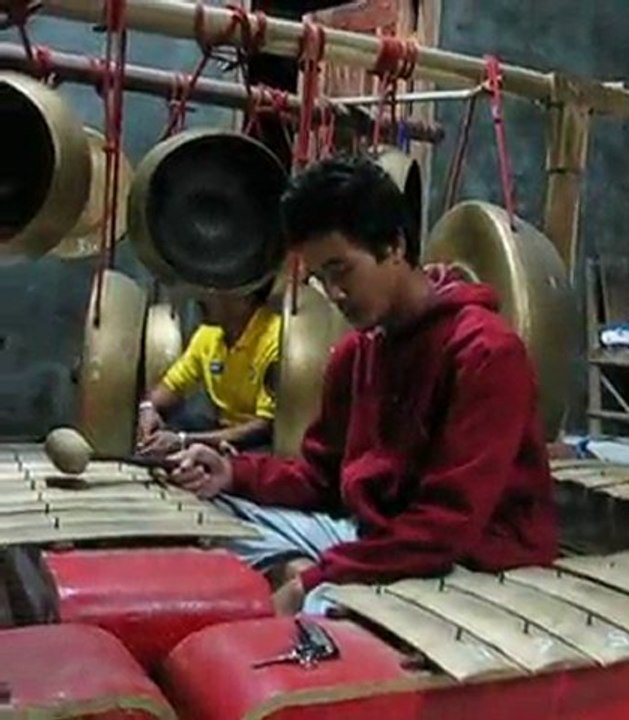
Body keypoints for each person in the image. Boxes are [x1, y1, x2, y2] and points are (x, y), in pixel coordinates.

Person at [170, 154, 558, 615]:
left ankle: (304, 582)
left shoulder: (485, 353)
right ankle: (304, 571)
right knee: (204, 518)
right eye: (318, 278)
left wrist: (315, 578)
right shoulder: (357, 353)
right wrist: (231, 472)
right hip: (379, 537)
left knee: (321, 606)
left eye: (341, 270)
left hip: (473, 563)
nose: (333, 294)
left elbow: (444, 526)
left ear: (394, 247)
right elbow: (319, 477)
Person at [138, 284, 280, 456]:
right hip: (221, 430)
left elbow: (264, 426)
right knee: (175, 422)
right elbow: (170, 388)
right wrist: (148, 409)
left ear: (242, 295)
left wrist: (183, 441)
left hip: (259, 442)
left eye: (212, 289)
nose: (201, 297)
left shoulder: (275, 338)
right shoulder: (208, 334)